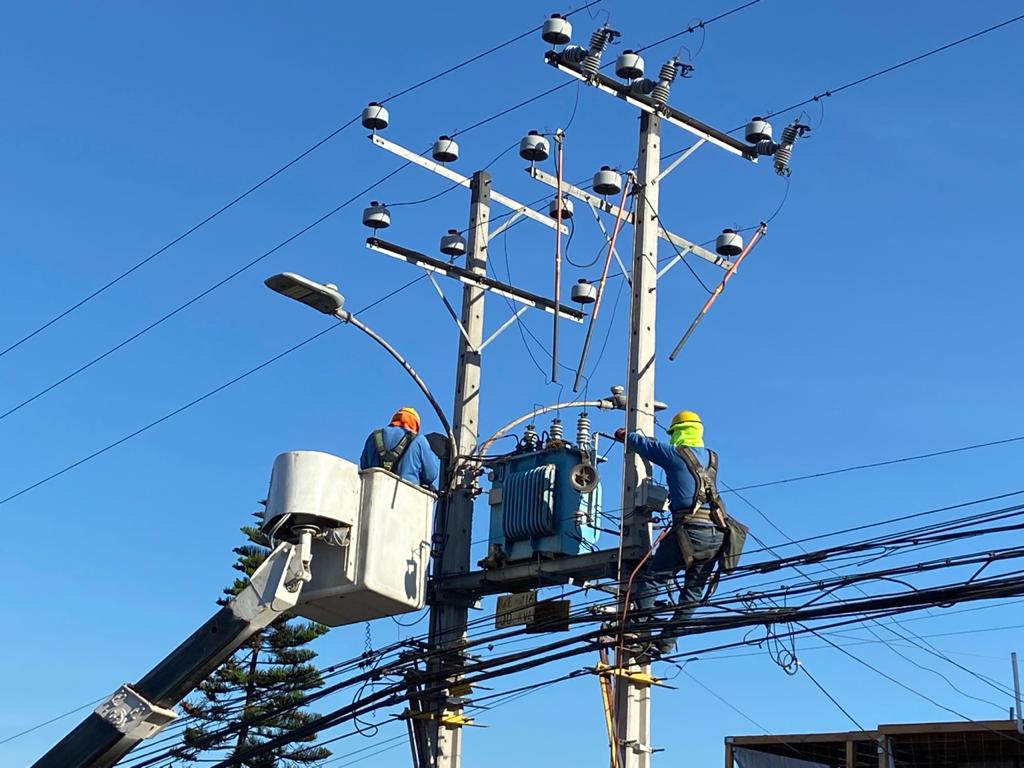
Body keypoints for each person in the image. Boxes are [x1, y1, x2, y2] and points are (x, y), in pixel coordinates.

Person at [614, 409, 726, 655]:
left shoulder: (674, 454)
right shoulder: (712, 458)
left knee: (655, 578)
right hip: (717, 534)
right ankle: (667, 641)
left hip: (688, 530)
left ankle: (639, 631)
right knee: (692, 592)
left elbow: (644, 446)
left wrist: (624, 435)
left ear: (677, 433)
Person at [359, 406, 440, 489]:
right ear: (415, 425)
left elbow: (364, 466)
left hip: (375, 492)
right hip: (406, 496)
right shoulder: (419, 440)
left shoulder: (374, 437)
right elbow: (431, 474)